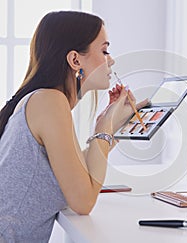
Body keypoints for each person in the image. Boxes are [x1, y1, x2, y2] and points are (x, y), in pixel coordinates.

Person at [0, 11, 147, 242]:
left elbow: (78, 175)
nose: (111, 60)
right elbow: (83, 201)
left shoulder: (43, 100)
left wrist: (110, 122)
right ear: (75, 60)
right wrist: (105, 127)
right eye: (105, 50)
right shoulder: (49, 101)